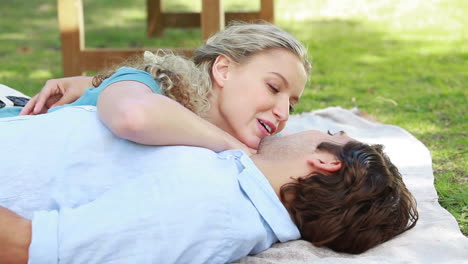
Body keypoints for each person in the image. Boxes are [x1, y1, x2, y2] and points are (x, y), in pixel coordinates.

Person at [0, 106, 418, 263]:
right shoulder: (236, 179)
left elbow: (24, 247)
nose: (300, 125)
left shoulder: (209, 213)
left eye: (326, 130)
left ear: (325, 161)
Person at [1, 21, 311, 153]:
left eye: (292, 104)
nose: (283, 112)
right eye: (273, 88)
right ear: (224, 69)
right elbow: (133, 117)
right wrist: (237, 149)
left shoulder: (253, 133)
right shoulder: (149, 86)